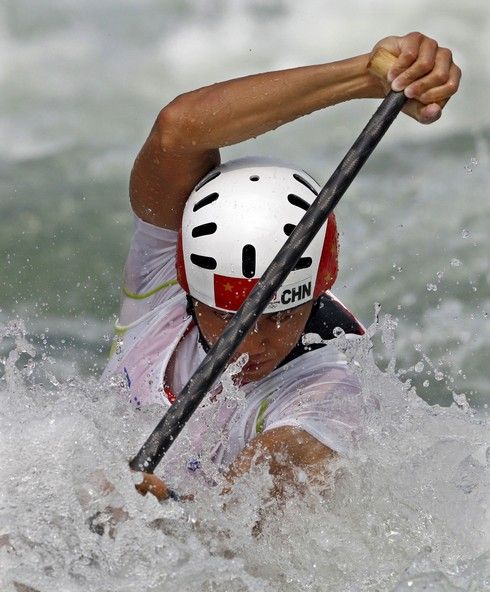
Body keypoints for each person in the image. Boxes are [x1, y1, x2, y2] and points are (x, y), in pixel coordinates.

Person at [102, 32, 460, 502]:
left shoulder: (328, 393)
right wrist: (364, 75)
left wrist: (159, 515)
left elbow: (230, 543)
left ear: (313, 294)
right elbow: (179, 129)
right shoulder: (162, 278)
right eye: (229, 317)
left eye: (281, 316)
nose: (252, 344)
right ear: (187, 286)